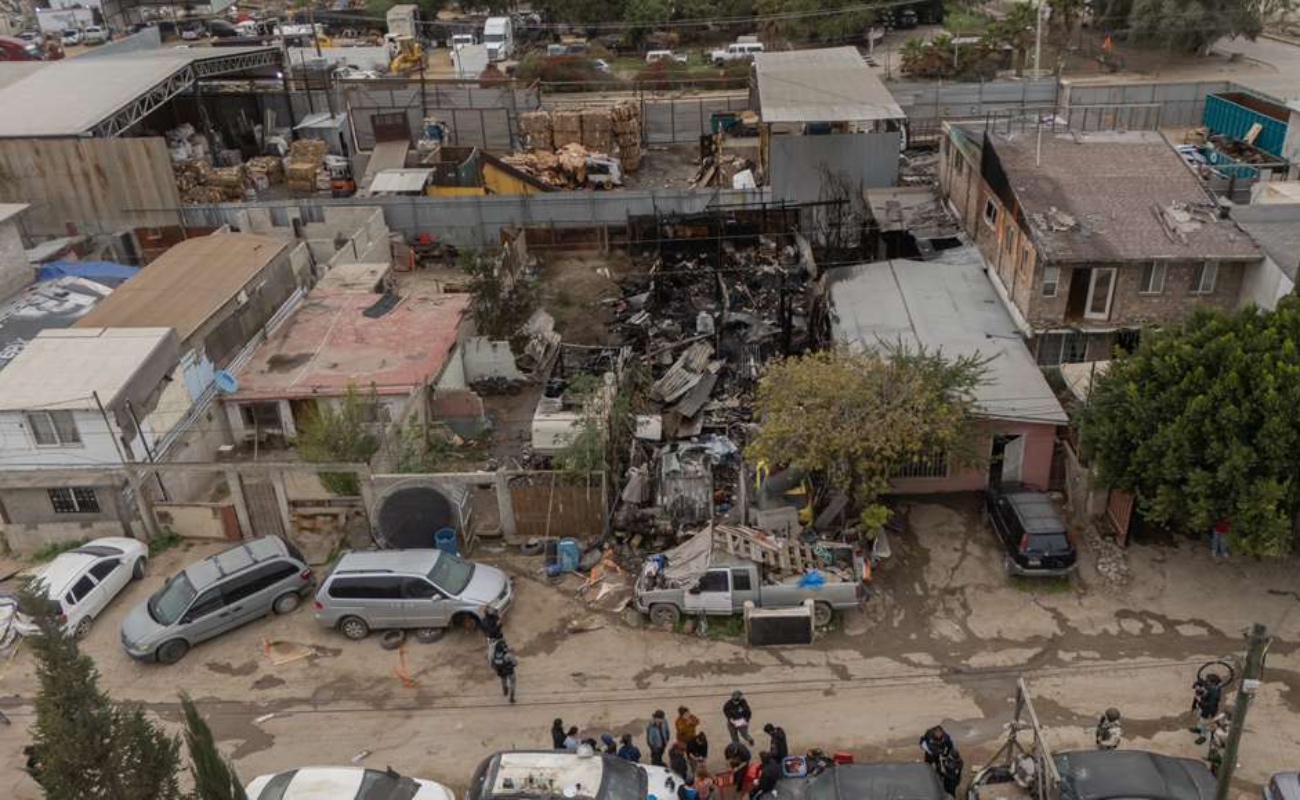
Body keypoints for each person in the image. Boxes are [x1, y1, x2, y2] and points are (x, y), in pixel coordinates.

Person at [919, 726, 962, 796]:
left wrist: (947, 754)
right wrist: (927, 749)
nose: (938, 735)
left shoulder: (946, 737)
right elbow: (922, 742)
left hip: (939, 753)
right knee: (927, 764)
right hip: (930, 753)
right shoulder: (928, 734)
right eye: (937, 733)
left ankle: (939, 775)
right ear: (934, 733)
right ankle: (926, 775)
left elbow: (950, 746)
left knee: (939, 765)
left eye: (940, 733)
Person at [1192, 674, 1223, 745]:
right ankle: (1198, 729)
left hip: (1208, 711)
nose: (1206, 682)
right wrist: (1197, 686)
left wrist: (1199, 700)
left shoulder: (1215, 693)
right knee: (1200, 719)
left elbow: (1209, 704)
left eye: (1208, 681)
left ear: (1213, 683)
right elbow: (1197, 685)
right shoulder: (1210, 686)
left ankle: (1203, 736)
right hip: (1202, 708)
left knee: (1205, 723)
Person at [490, 638, 517, 704]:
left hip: (501, 671)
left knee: (503, 680)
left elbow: (492, 664)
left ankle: (505, 689)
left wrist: (497, 669)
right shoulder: (508, 655)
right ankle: (511, 698)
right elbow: (515, 663)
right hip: (510, 671)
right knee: (513, 683)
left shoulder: (494, 656)